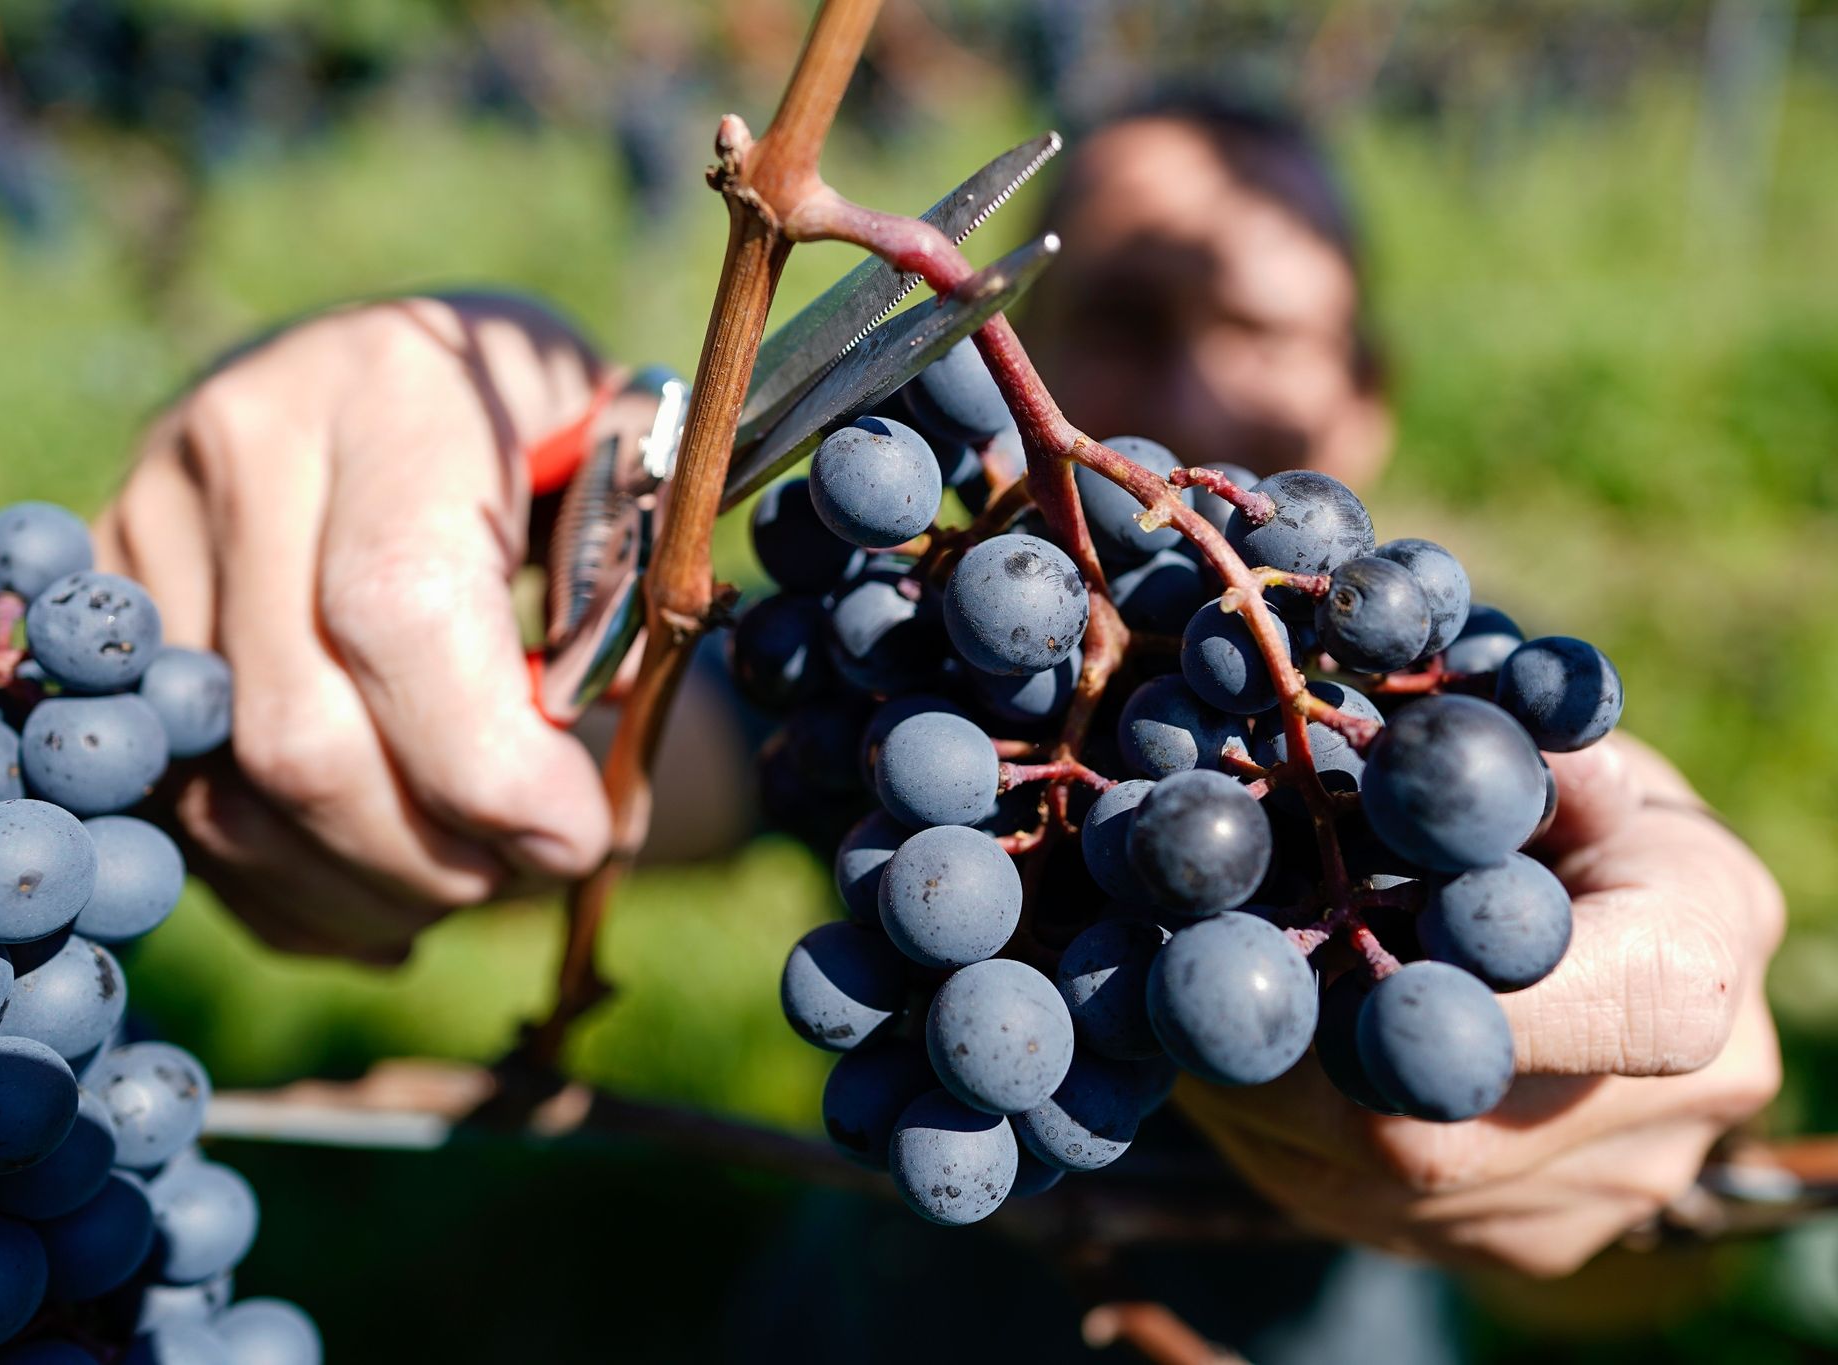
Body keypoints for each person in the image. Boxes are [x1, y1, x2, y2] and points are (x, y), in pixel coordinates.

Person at [94, 93, 1781, 1298]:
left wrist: (1629, 1169)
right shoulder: (922, 665)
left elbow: (1641, 1276)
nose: (1191, 387)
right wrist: (441, 463)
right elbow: (644, 741)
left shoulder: (1412, 726)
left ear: (1367, 402)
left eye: (1259, 328)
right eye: (1124, 312)